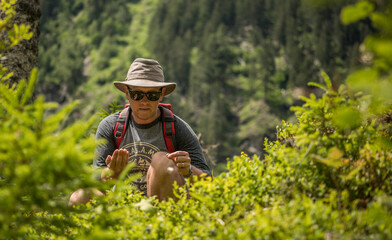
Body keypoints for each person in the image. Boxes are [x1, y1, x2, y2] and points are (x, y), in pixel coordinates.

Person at [69, 58, 211, 205]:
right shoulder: (111, 126)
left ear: (161, 94)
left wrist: (188, 170)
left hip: (163, 208)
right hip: (122, 206)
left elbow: (208, 182)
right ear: (127, 93)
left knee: (161, 161)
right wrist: (110, 176)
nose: (144, 101)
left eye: (152, 95)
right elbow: (96, 183)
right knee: (78, 198)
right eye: (137, 94)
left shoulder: (177, 128)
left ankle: (160, 224)